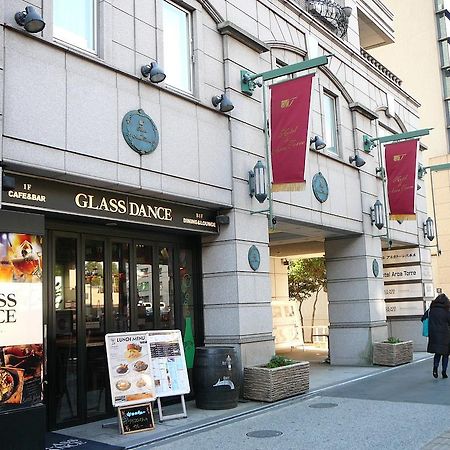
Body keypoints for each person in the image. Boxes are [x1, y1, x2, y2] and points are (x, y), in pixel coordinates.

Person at [422, 293, 450, 379]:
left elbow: (423, 318)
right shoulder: (447, 310)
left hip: (434, 335)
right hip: (446, 335)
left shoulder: (431, 310)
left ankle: (435, 368)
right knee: (445, 354)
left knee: (437, 353)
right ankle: (444, 371)